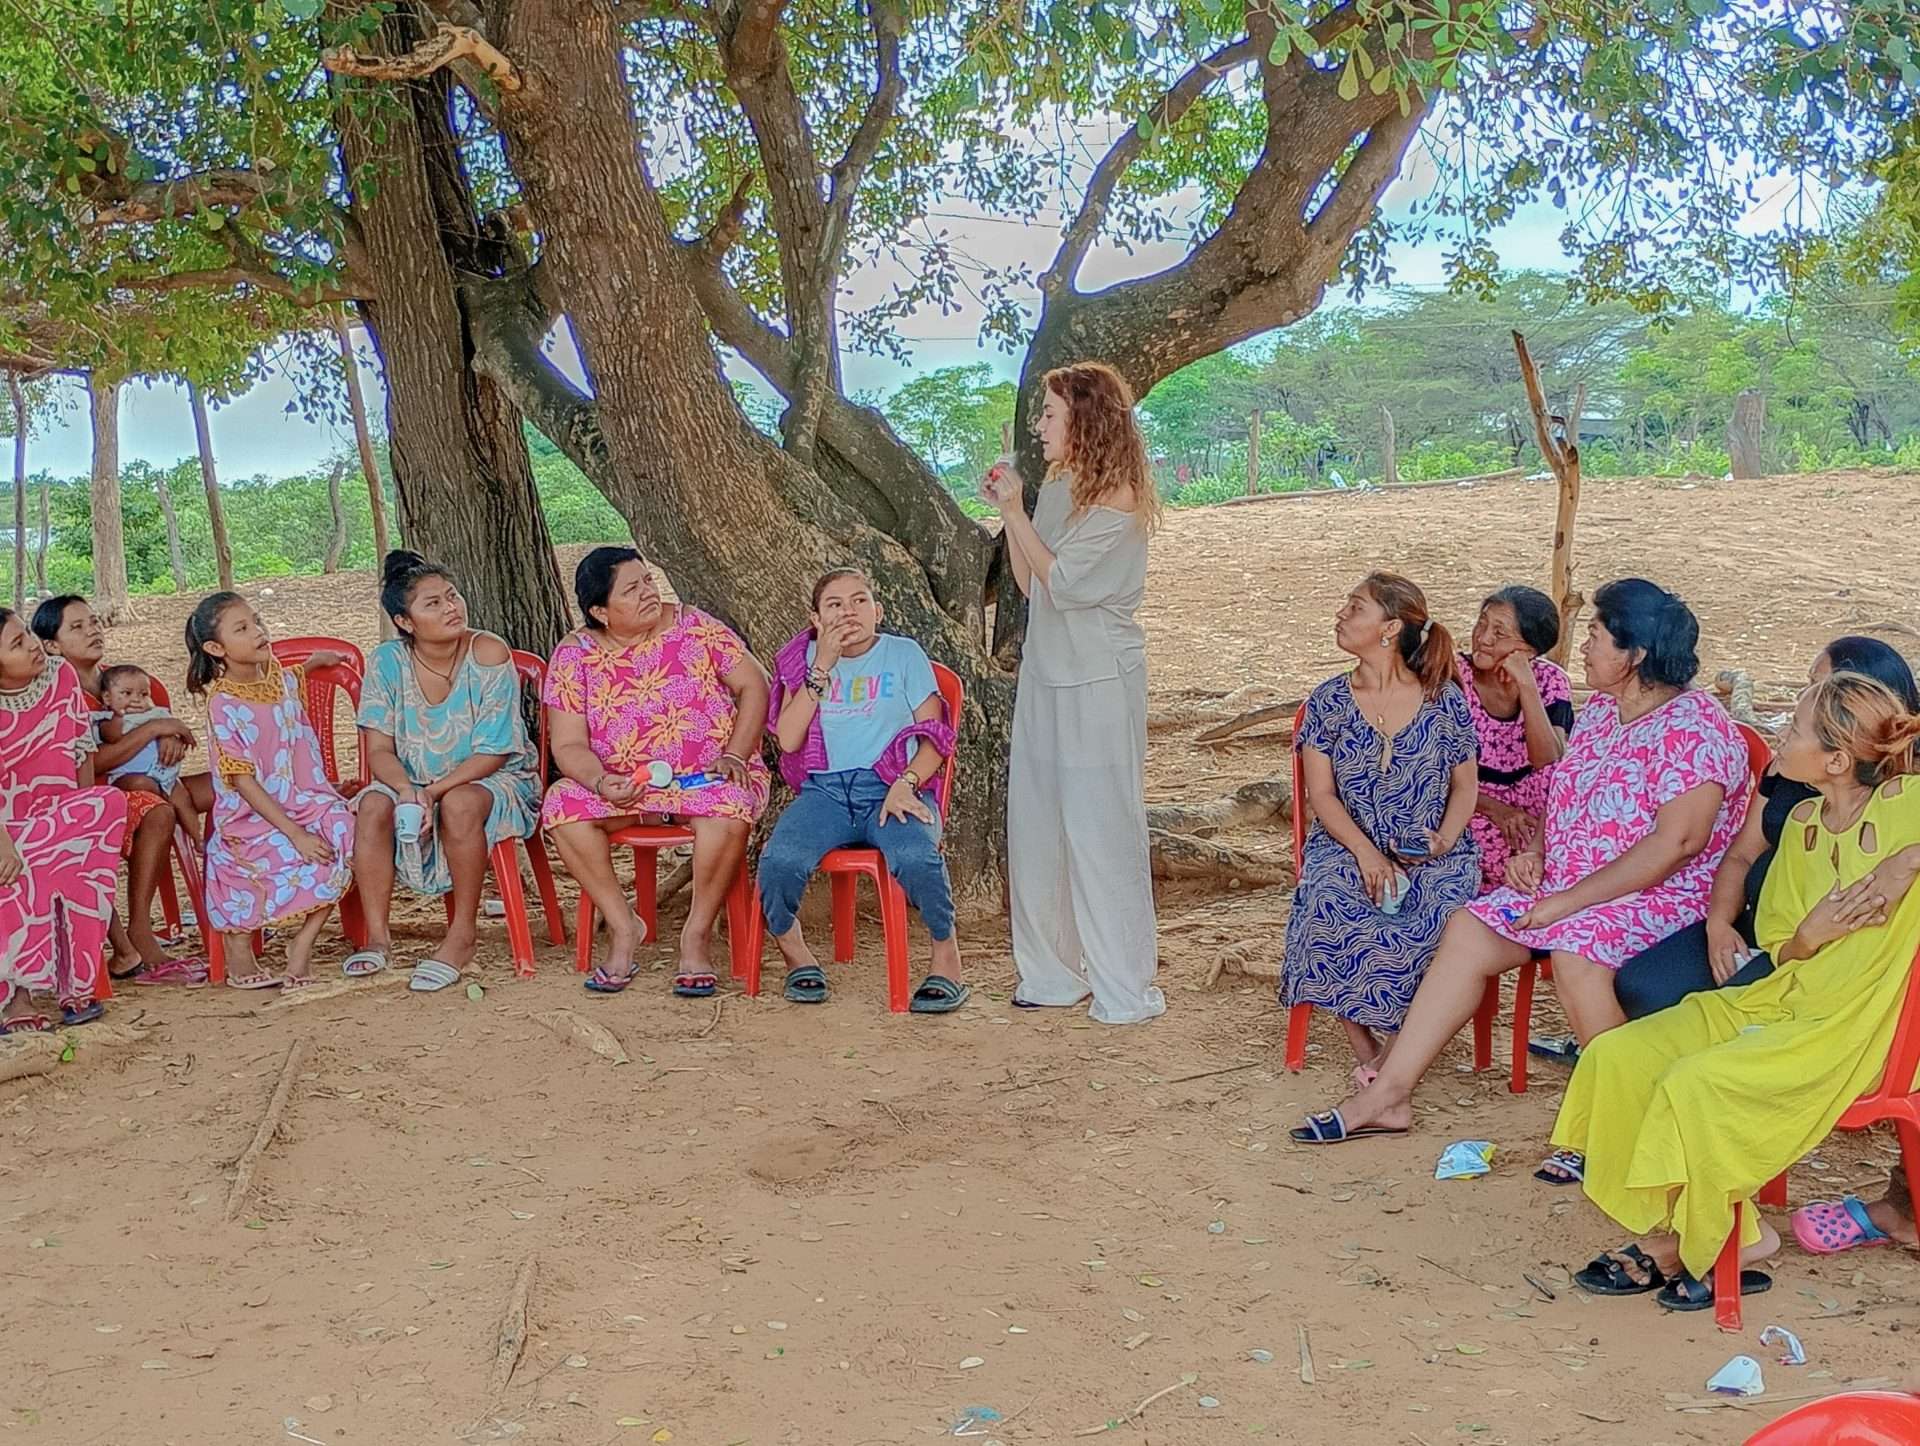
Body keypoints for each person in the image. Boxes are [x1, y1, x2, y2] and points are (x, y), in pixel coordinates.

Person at [1294, 579, 1749, 1148]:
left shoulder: (1694, 726)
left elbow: (1677, 844)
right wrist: (1535, 851)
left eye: (1596, 635)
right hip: (1568, 881)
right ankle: (1388, 1093)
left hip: (1656, 896)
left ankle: (1615, 1127)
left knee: (1577, 952)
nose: (1584, 646)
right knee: (1470, 928)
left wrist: (1566, 901)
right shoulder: (1605, 710)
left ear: (1635, 655)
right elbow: (1564, 796)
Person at [1557, 672, 1920, 1310]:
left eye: (1795, 729)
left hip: (1855, 1029)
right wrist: (1809, 936)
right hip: (1782, 999)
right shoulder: (1802, 823)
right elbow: (1781, 946)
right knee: (1619, 1057)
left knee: (1694, 1082)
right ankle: (1732, 1233)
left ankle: (1687, 1243)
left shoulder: (1906, 805)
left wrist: (1906, 861)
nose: (1780, 739)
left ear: (1837, 760)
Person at [983, 362, 1164, 1025]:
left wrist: (1015, 512)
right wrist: (1015, 516)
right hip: (1046, 670)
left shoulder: (1119, 498)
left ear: (1084, 420)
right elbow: (1031, 586)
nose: (1039, 425)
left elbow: (1066, 584)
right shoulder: (1061, 487)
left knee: (1099, 828)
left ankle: (1122, 982)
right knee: (1039, 825)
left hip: (1098, 678)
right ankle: (1052, 973)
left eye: (1050, 413)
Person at [1614, 636, 1920, 1021]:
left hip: (1826, 948)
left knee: (1718, 1018)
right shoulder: (1788, 772)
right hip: (1763, 921)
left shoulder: (1898, 794)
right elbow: (1742, 854)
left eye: (1820, 688)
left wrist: (1908, 859)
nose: (1805, 698)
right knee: (1641, 986)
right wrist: (1719, 924)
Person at [542, 546, 770, 998]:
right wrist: (600, 781)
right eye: (631, 589)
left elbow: (754, 685)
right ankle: (623, 925)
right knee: (561, 806)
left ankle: (696, 935)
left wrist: (736, 755)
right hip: (625, 786)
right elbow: (567, 745)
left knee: (730, 804)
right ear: (600, 612)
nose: (649, 592)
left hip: (706, 778)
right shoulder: (574, 654)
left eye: (647, 580)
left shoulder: (694, 625)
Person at [1282, 573, 1480, 1082]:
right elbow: (1321, 796)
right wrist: (1367, 854)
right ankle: (1369, 1052)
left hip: (1434, 852)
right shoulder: (1328, 701)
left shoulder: (1444, 700)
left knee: (1439, 915)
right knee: (1329, 900)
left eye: (1356, 607)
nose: (1341, 615)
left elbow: (1465, 788)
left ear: (1390, 628)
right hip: (1346, 845)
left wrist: (1444, 840)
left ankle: (1391, 1059)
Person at [761, 567, 967, 1012]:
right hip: (826, 792)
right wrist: (822, 666)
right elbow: (789, 739)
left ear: (879, 610)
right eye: (834, 605)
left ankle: (946, 957)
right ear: (816, 619)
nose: (848, 612)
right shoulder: (804, 660)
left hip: (892, 787)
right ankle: (796, 953)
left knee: (916, 857)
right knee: (780, 861)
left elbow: (936, 737)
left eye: (859, 601)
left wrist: (906, 783)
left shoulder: (903, 654)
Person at [348, 552, 543, 991]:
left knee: (459, 804)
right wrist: (406, 789)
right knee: (374, 805)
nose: (451, 608)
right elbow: (378, 749)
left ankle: (462, 935)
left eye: (452, 596)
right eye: (433, 603)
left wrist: (432, 792)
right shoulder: (387, 662)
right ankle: (378, 939)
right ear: (405, 622)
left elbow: (494, 752)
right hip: (412, 778)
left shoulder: (487, 651)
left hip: (496, 779)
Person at [33, 595, 209, 984]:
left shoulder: (123, 681)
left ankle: (236, 909)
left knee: (227, 785)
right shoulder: (55, 695)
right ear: (51, 646)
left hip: (156, 782)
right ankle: (140, 930)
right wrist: (153, 730)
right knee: (156, 809)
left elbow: (161, 720)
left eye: (94, 621)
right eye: (77, 627)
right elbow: (90, 763)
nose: (93, 630)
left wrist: (169, 734)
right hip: (97, 798)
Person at [185, 592, 356, 991]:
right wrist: (295, 834)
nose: (258, 632)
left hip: (303, 803)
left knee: (350, 832)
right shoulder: (223, 704)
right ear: (216, 649)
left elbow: (289, 682)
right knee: (266, 856)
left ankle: (302, 943)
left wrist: (314, 663)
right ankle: (238, 943)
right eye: (242, 628)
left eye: (257, 621)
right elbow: (242, 781)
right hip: (252, 816)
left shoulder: (276, 677)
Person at [0, 608, 128, 1032]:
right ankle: (16, 994)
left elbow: (80, 750)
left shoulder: (61, 676)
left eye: (27, 634)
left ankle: (77, 982)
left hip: (58, 817)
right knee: (18, 865)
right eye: (18, 644)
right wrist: (5, 843)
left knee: (106, 805)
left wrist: (79, 818)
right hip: (5, 828)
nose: (34, 645)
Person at [1457, 586, 1573, 891]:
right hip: (1468, 801)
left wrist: (1527, 685)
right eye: (1482, 623)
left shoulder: (1550, 680)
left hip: (1529, 810)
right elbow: (1432, 772)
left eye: (1500, 633)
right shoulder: (1452, 678)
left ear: (1529, 650)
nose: (1483, 638)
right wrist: (1498, 810)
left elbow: (1548, 759)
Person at [97, 662, 205, 847]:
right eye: (127, 693)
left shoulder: (156, 713)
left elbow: (175, 728)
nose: (136, 699)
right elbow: (111, 737)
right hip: (128, 774)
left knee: (183, 800)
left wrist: (173, 735)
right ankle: (163, 826)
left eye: (144, 694)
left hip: (164, 774)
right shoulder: (108, 719)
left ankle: (198, 838)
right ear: (107, 698)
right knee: (146, 788)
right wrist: (118, 717)